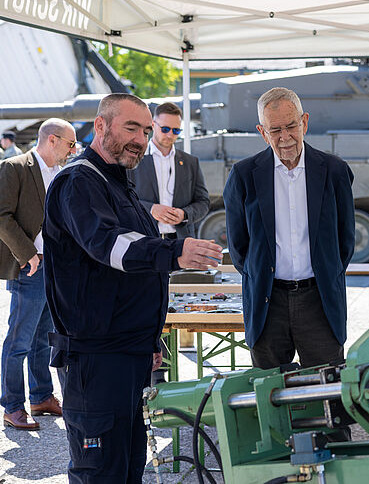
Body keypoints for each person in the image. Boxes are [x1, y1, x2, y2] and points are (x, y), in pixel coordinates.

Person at [43, 93, 223, 483]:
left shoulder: (117, 182)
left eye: (145, 130)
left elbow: (130, 276)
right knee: (101, 472)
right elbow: (110, 246)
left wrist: (148, 338)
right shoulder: (79, 181)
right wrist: (176, 251)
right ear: (101, 126)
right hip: (96, 360)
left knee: (127, 468)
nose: (141, 139)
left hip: (128, 353)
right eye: (131, 128)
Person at [224, 87, 355, 369]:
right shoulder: (244, 175)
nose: (285, 137)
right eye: (275, 130)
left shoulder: (334, 171)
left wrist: (324, 273)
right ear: (262, 132)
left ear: (304, 122)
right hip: (267, 304)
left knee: (328, 393)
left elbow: (345, 241)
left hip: (320, 302)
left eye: (291, 126)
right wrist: (262, 276)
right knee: (268, 398)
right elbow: (238, 248)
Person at [0, 119, 76, 430]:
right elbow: (2, 216)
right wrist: (26, 253)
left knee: (44, 340)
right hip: (29, 266)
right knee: (19, 341)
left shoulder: (60, 173)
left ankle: (42, 396)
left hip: (54, 266)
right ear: (53, 140)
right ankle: (12, 405)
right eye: (70, 144)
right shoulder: (14, 167)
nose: (73, 150)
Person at [128, 101, 210, 240]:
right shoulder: (132, 159)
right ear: (153, 125)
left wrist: (184, 214)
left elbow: (203, 202)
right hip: (144, 240)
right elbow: (122, 199)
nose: (170, 135)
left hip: (180, 242)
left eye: (176, 130)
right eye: (165, 129)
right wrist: (151, 209)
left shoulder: (191, 162)